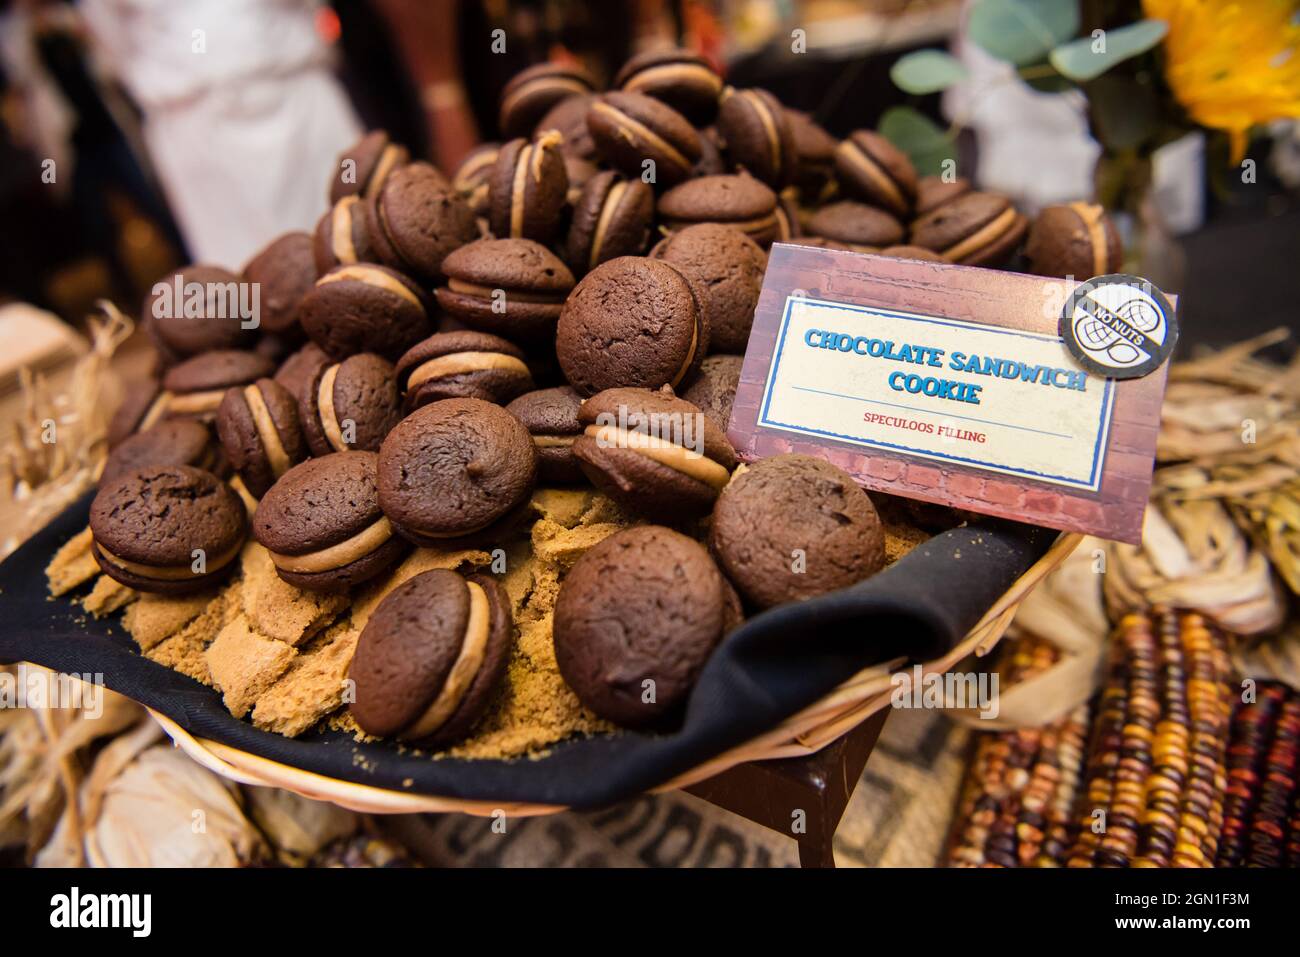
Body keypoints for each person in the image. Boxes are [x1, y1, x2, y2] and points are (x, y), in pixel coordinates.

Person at [79, 0, 362, 268]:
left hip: (296, 88)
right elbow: (113, 37)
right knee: (245, 270)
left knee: (354, 234)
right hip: (192, 116)